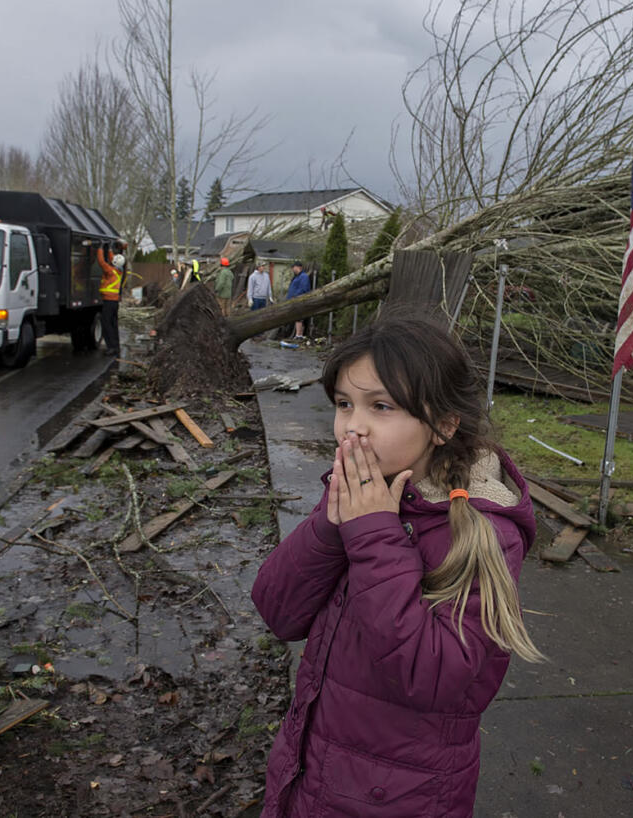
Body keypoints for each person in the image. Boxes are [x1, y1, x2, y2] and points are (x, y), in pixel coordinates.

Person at [251, 315, 544, 817]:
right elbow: (279, 611)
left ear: (444, 425)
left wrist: (372, 535)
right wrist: (332, 525)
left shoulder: (482, 530)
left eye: (381, 406)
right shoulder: (363, 494)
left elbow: (439, 678)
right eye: (344, 404)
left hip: (399, 798)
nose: (352, 426)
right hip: (312, 769)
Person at [94, 241, 124, 357]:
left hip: (108, 301)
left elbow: (101, 262)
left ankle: (111, 347)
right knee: (113, 324)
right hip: (114, 302)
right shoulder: (118, 271)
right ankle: (116, 346)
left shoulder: (110, 271)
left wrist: (101, 248)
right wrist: (110, 249)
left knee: (106, 324)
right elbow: (112, 260)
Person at [285, 261, 311, 339]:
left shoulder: (303, 276)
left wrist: (294, 296)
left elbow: (304, 288)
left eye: (294, 267)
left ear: (298, 267)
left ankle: (299, 335)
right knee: (297, 318)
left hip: (299, 300)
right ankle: (299, 334)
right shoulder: (297, 277)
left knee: (299, 318)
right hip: (294, 300)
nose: (293, 269)